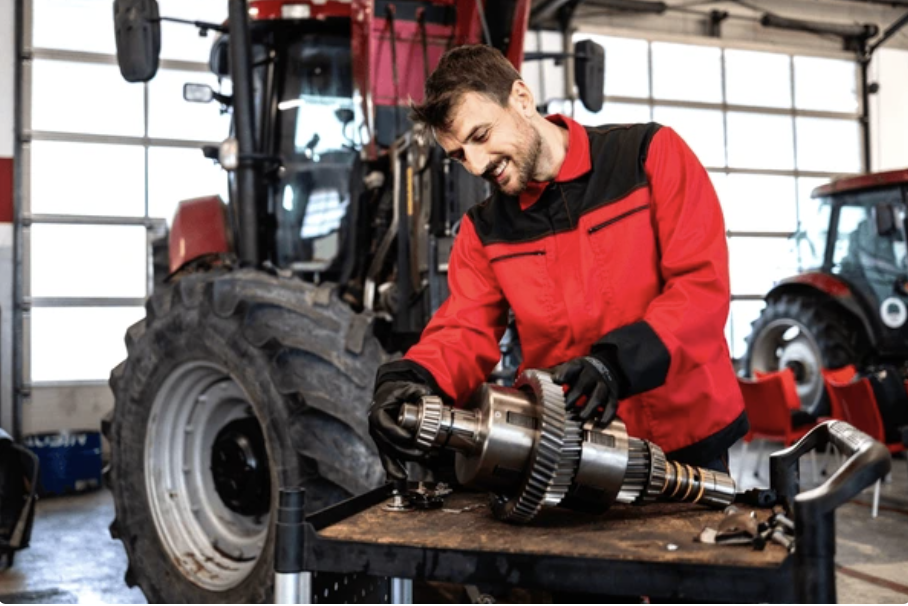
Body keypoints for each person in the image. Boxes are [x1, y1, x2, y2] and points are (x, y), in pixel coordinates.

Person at [368, 44, 749, 482]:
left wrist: (615, 364)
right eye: (459, 156)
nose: (475, 165)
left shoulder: (648, 155)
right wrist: (411, 377)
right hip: (575, 453)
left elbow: (700, 290)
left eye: (480, 136)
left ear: (521, 98)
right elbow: (463, 330)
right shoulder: (483, 230)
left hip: (690, 443)